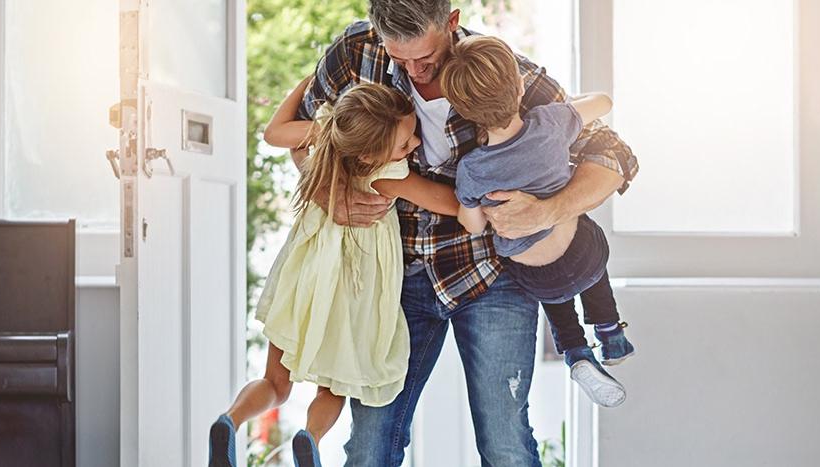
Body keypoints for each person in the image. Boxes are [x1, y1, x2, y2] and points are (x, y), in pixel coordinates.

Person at [289, 0, 640, 465]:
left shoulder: (500, 72)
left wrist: (549, 210)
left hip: (492, 275)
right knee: (371, 441)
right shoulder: (357, 52)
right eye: (400, 59)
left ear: (451, 23)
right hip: (394, 276)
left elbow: (615, 153)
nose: (414, 71)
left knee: (505, 439)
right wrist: (325, 192)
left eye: (426, 58)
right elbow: (308, 135)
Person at [208, 82, 459, 467]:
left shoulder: (327, 132)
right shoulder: (386, 174)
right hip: (348, 293)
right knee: (333, 388)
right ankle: (310, 437)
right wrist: (484, 202)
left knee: (276, 383)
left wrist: (302, 86)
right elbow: (443, 200)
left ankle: (230, 420)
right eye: (405, 143)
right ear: (370, 154)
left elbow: (274, 133)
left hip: (302, 281)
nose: (413, 145)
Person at [443, 35, 636, 408]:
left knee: (546, 281)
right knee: (585, 238)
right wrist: (570, 105)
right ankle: (610, 331)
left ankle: (576, 350)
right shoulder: (551, 122)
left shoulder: (471, 170)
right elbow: (604, 102)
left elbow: (472, 226)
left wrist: (478, 205)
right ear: (519, 87)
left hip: (536, 279)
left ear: (464, 112)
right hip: (582, 258)